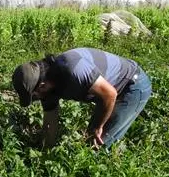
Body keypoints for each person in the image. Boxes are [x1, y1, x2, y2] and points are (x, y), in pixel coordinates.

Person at [11, 47, 151, 150]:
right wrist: (45, 151)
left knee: (99, 145)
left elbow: (110, 94)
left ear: (41, 86)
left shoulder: (74, 69)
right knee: (92, 141)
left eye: (35, 96)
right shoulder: (47, 89)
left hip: (131, 85)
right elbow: (50, 124)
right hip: (110, 92)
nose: (38, 99)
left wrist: (97, 127)